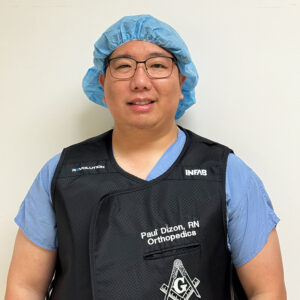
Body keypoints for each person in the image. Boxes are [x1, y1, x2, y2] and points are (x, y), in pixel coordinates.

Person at [5, 15, 286, 300]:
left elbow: (267, 291)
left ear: (182, 82)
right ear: (102, 83)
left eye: (158, 66)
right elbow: (24, 288)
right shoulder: (61, 175)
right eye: (124, 66)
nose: (140, 81)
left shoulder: (226, 174)